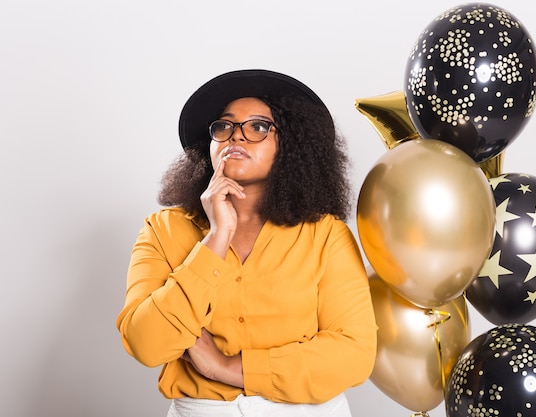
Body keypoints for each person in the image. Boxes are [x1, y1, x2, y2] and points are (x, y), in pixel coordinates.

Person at [116, 69, 378, 417]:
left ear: (291, 146)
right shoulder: (163, 229)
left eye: (258, 126)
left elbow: (354, 354)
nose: (234, 137)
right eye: (223, 126)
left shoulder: (326, 234)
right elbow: (145, 343)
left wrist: (226, 368)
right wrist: (216, 237)